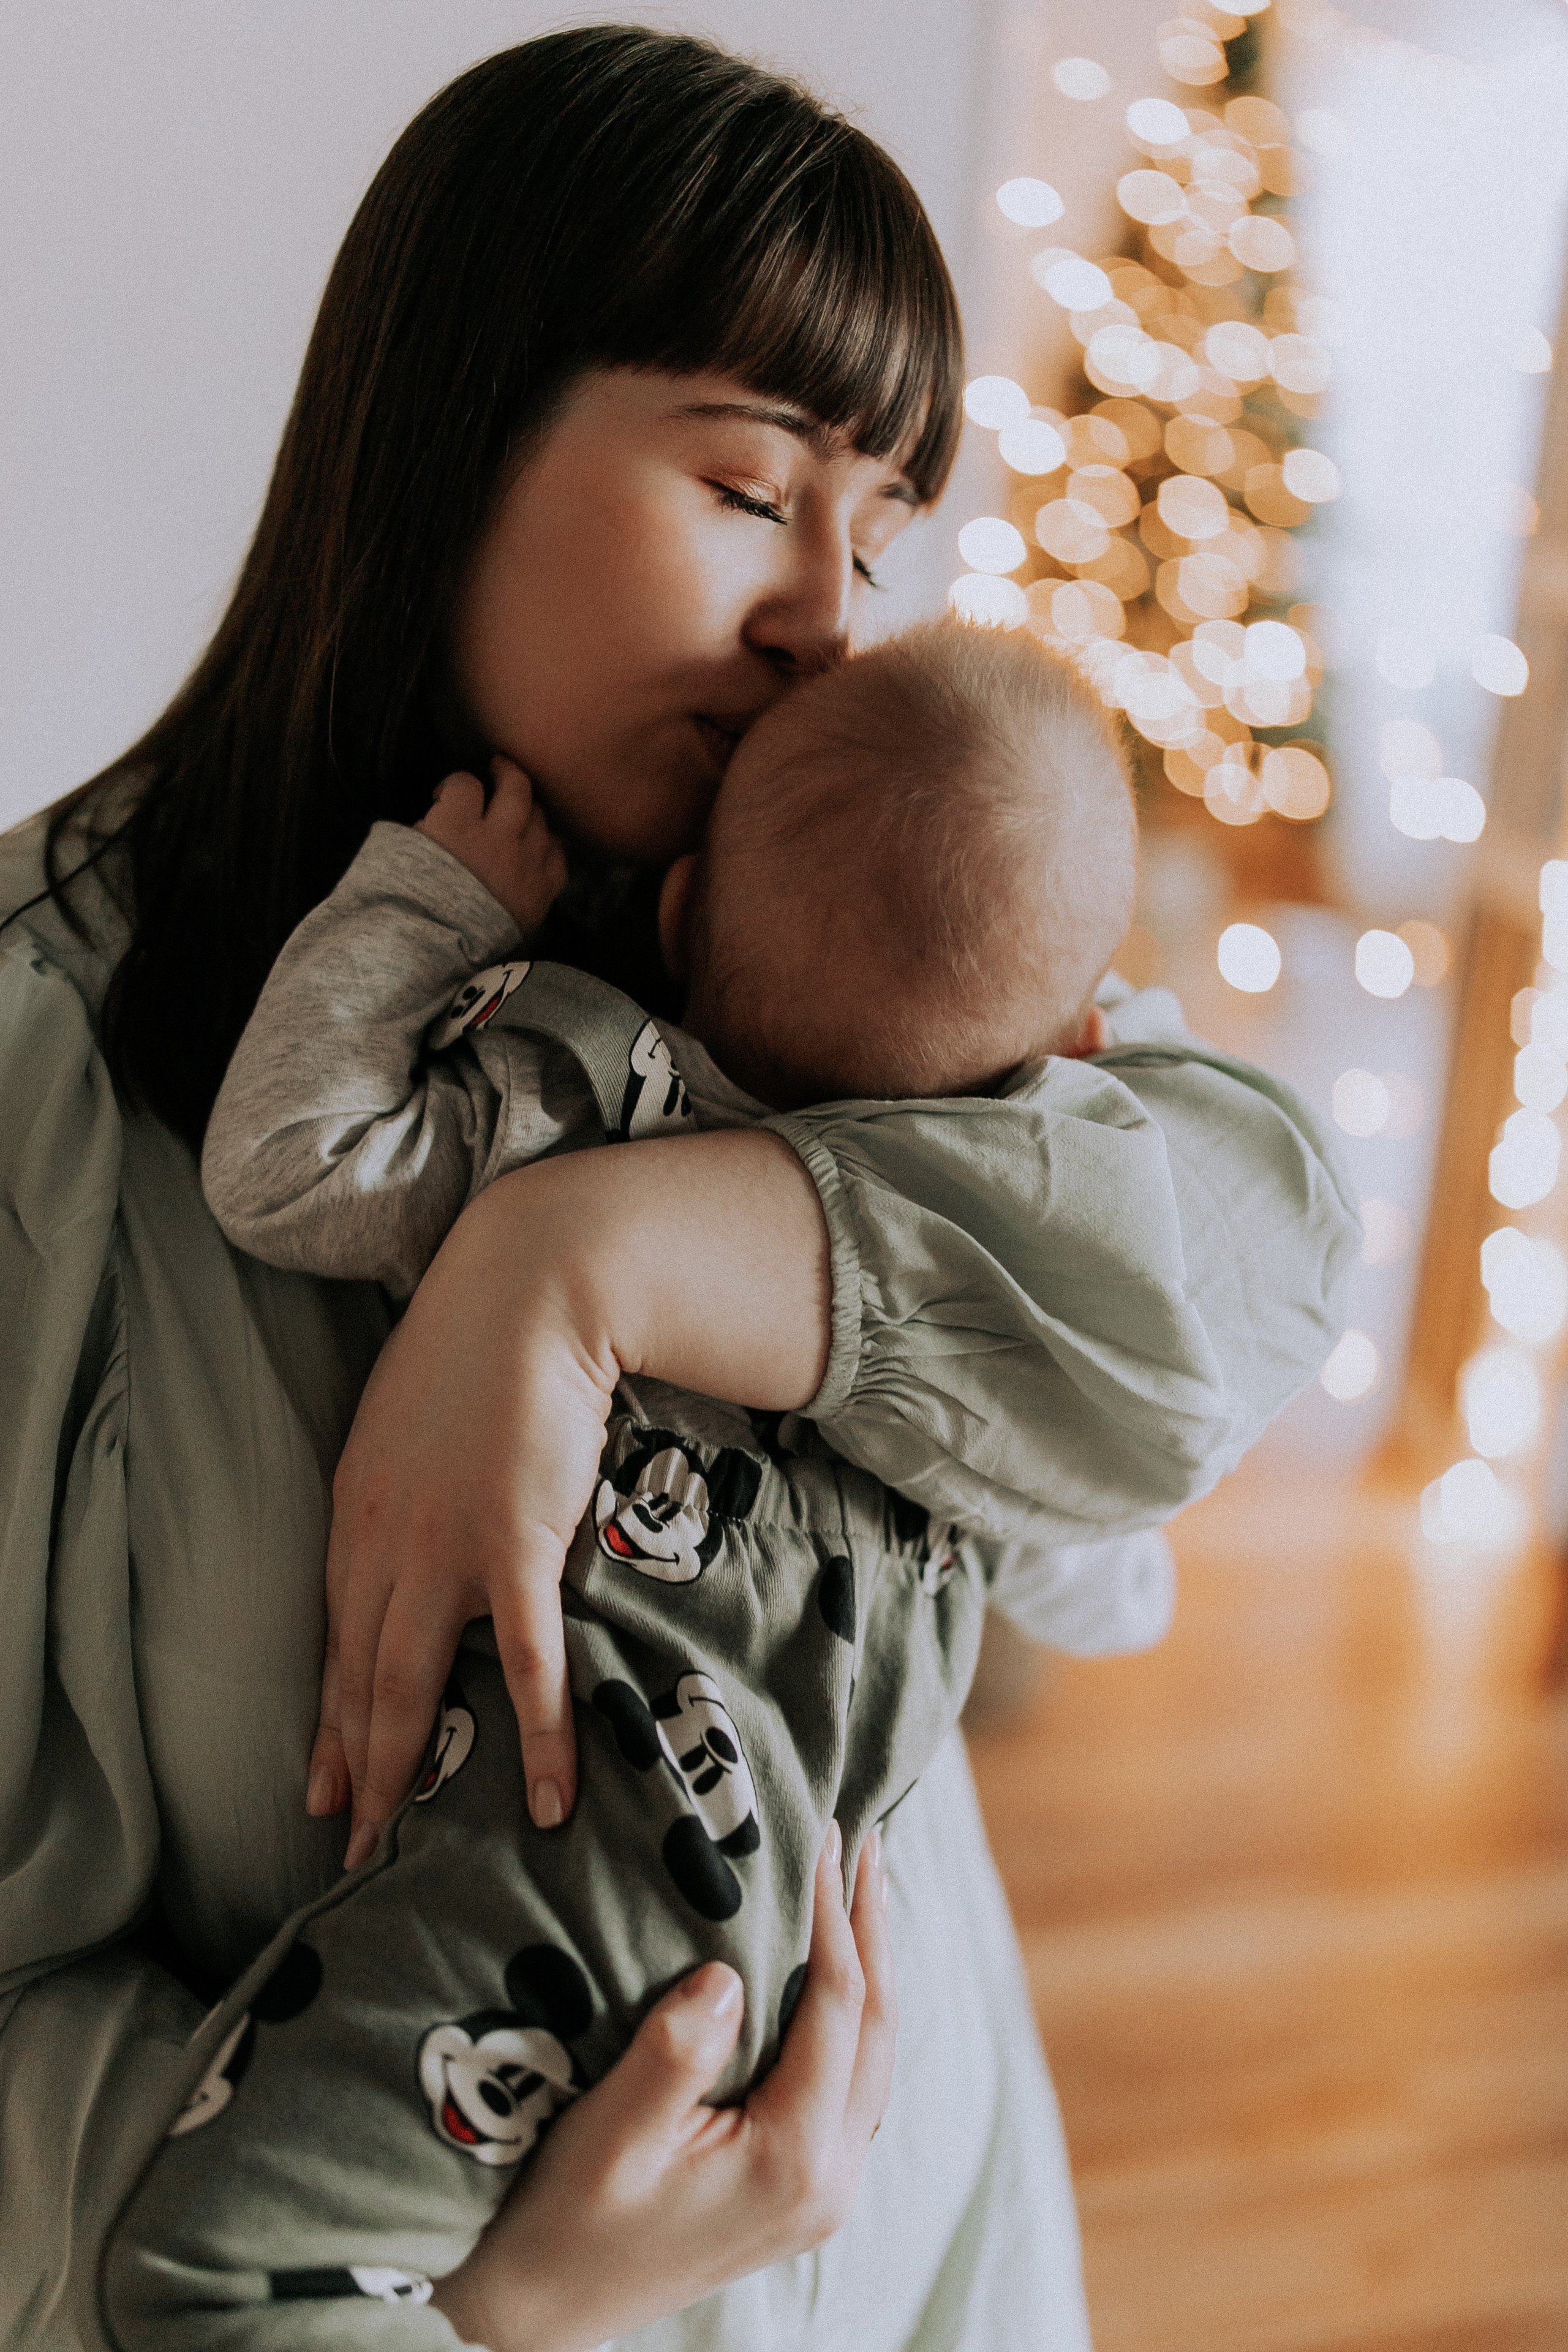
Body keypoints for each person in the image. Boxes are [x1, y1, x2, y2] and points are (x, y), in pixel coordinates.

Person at [0, 30, 1359, 2352]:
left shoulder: (846, 974)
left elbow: (1220, 1305)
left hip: (927, 2270)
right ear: (447, 441)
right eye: (751, 486)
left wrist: (592, 1253)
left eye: (882, 531)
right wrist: (510, 2301)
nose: (829, 612)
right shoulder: (50, 1059)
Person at [101, 622, 1198, 2332]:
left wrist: (439, 902)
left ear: (678, 912)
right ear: (1066, 1051)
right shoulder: (972, 1316)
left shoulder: (572, 1105)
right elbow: (1119, 1586)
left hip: (542, 1896)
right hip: (793, 1970)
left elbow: (285, 1164)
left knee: (217, 2283)